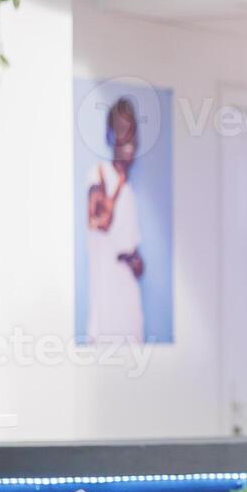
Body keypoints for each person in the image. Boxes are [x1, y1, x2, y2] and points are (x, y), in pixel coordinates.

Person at [85, 96, 145, 342]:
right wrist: (119, 182)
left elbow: (134, 256)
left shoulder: (131, 191)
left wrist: (134, 261)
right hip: (105, 308)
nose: (129, 137)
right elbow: (101, 221)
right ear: (110, 135)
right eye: (122, 129)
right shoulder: (98, 175)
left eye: (132, 131)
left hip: (129, 305)